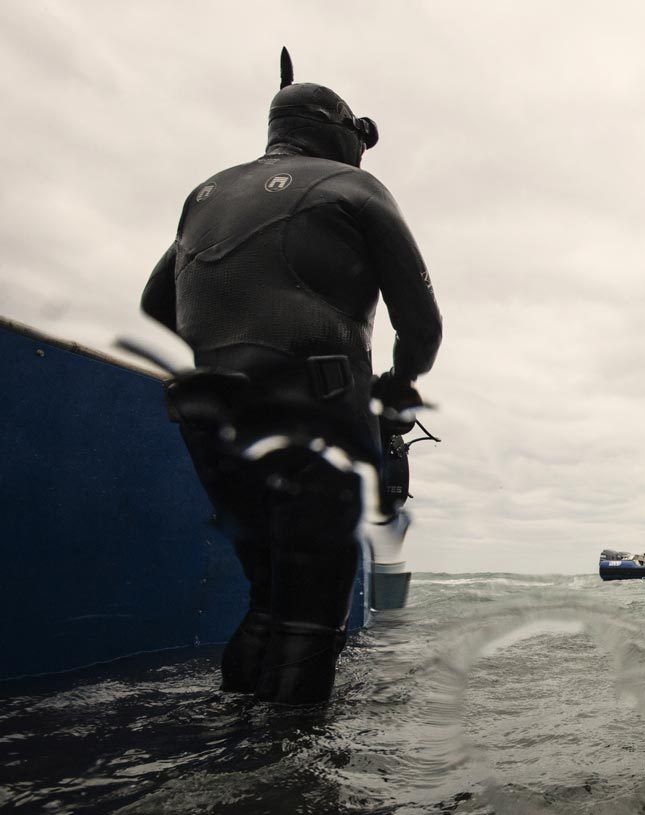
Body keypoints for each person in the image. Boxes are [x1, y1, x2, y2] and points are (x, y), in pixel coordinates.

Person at [140, 50, 442, 705]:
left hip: (209, 415)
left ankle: (234, 742)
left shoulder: (205, 194)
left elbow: (154, 305)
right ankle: (288, 793)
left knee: (269, 596)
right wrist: (392, 385)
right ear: (337, 128)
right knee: (311, 612)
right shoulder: (354, 188)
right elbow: (421, 327)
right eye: (358, 136)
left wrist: (229, 354)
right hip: (313, 406)